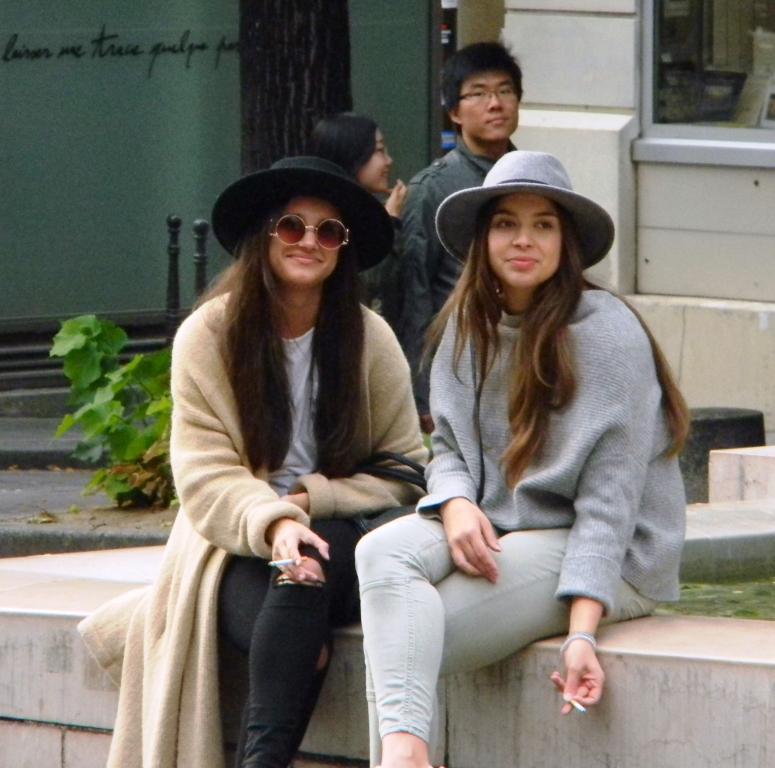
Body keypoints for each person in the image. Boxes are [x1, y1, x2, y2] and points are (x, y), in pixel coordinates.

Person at [77, 156, 427, 768]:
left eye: (328, 231)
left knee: (309, 568)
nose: (309, 242)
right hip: (232, 540)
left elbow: (404, 469)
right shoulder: (209, 334)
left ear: (343, 248)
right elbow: (205, 474)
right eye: (292, 226)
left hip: (346, 530)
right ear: (264, 236)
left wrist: (312, 503)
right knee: (301, 615)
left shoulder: (370, 337)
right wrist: (275, 522)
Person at [356, 151, 690, 768]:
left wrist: (582, 631)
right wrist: (455, 502)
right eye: (506, 223)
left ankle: (401, 758)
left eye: (543, 225)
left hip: (610, 553)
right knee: (379, 553)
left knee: (404, 641)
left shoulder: (607, 334)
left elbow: (610, 506)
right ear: (483, 238)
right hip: (504, 525)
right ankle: (406, 756)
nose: (523, 240)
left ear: (567, 241)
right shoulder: (467, 325)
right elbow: (447, 448)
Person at [398, 41, 522, 432]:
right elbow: (414, 295)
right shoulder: (432, 188)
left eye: (505, 91)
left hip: (523, 361)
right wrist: (422, 393)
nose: (495, 104)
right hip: (461, 367)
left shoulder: (531, 179)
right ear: (454, 112)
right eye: (478, 93)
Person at [309, 112, 407, 329]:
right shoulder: (330, 219)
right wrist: (390, 223)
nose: (389, 161)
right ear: (353, 155)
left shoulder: (365, 210)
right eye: (380, 150)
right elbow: (368, 282)